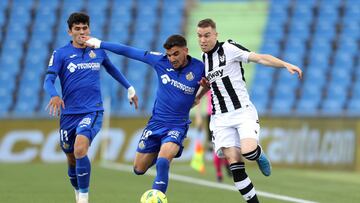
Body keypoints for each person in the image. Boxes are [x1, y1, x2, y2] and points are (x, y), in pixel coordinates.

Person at [195, 18, 302, 202]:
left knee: (248, 152)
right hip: (220, 118)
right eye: (199, 36)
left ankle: (258, 154)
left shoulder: (229, 48)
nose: (203, 40)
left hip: (242, 112)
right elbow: (210, 84)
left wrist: (285, 64)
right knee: (234, 165)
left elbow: (260, 57)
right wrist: (197, 97)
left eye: (207, 35)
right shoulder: (204, 60)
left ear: (215, 35)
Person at [85, 34, 205, 195]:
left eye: (176, 54)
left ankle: (157, 196)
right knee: (138, 168)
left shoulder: (200, 67)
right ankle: (167, 148)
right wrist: (100, 44)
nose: (171, 59)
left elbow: (213, 81)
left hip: (177, 125)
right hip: (156, 124)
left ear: (186, 50)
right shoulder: (160, 61)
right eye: (169, 55)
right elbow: (129, 51)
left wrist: (199, 96)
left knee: (163, 162)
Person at [43, 12, 138, 203]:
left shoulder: (98, 50)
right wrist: (54, 94)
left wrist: (129, 87)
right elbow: (48, 79)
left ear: (89, 29)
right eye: (77, 29)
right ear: (69, 32)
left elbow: (111, 68)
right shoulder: (60, 54)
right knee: (71, 157)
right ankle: (78, 192)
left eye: (84, 28)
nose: (81, 32)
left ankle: (84, 199)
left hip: (92, 110)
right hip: (69, 114)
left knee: (80, 150)